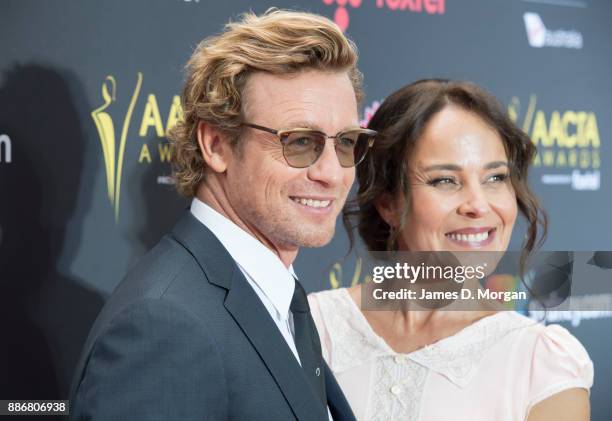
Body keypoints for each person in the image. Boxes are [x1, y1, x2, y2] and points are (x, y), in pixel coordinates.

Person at [69, 10, 378, 420]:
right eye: (300, 142)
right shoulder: (164, 326)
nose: (330, 173)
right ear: (216, 144)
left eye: (346, 143)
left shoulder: (276, 293)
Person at [308, 79, 593, 420]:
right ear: (387, 203)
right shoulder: (310, 328)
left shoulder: (541, 364)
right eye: (445, 180)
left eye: (495, 178)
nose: (478, 205)